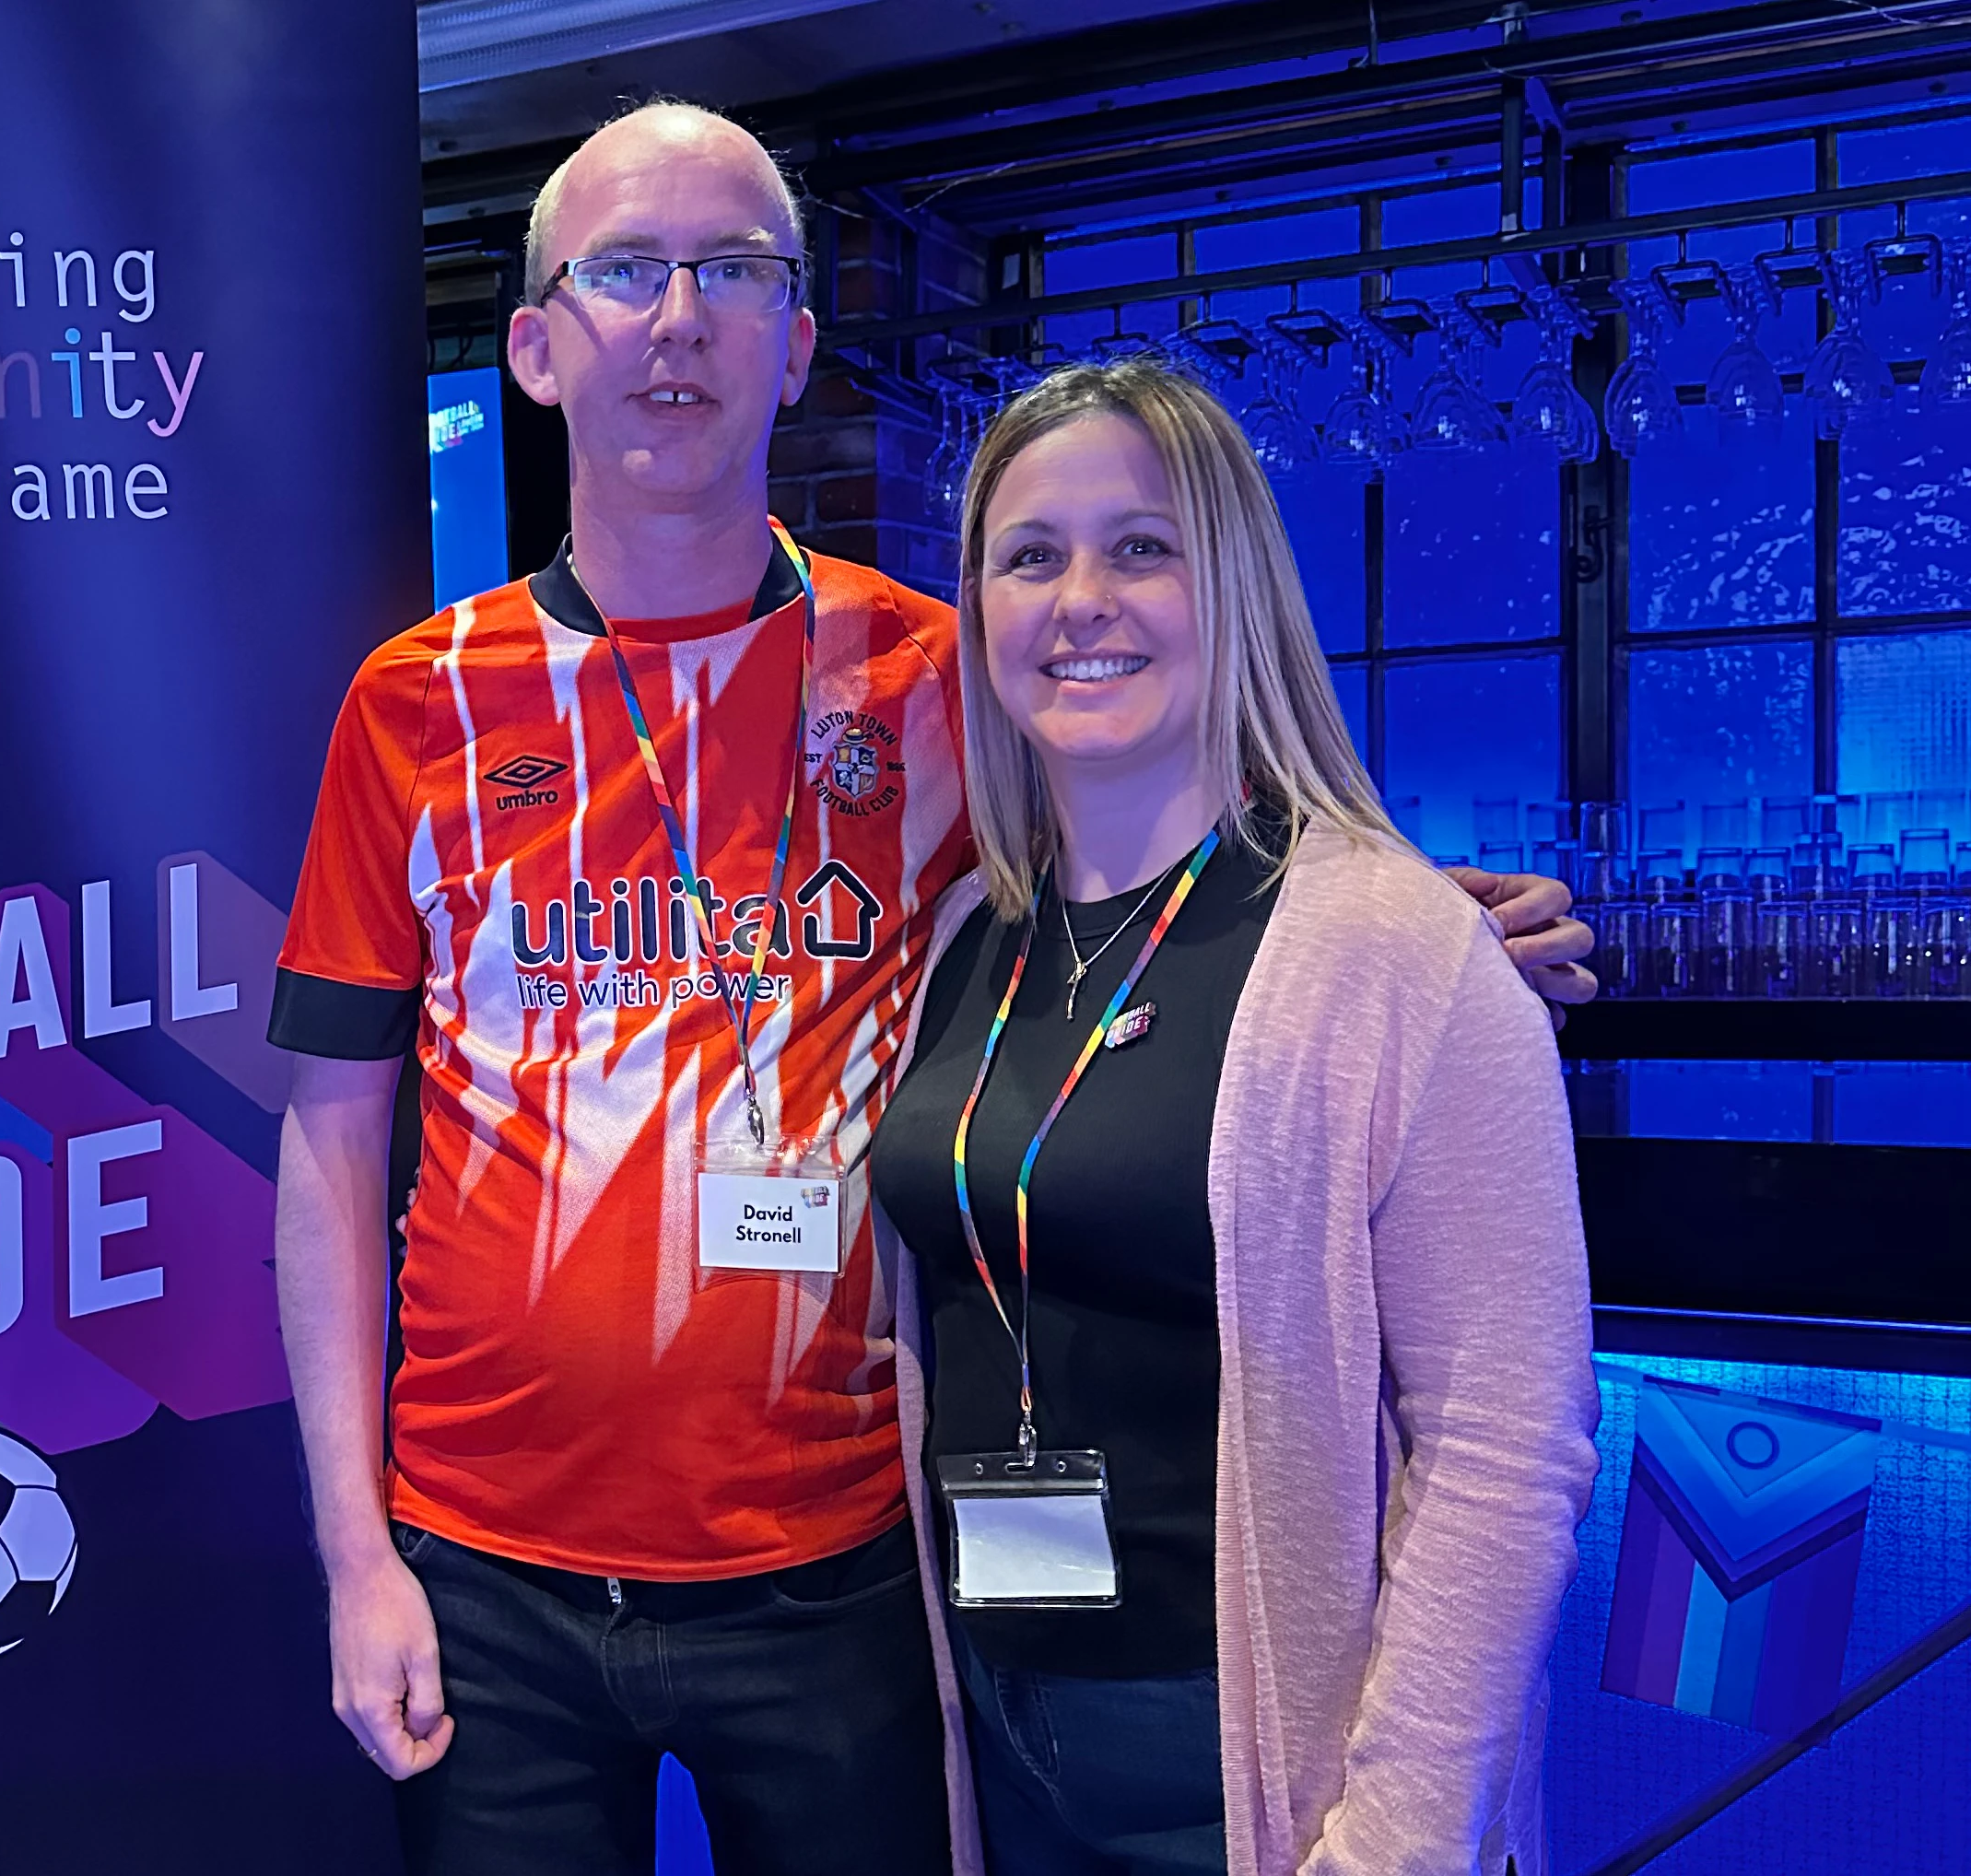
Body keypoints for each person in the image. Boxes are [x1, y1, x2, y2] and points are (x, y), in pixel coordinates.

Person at [269, 103, 1592, 1875]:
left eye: (735, 273)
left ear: (798, 343)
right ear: (533, 346)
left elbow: (1168, 826)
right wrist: (357, 1556)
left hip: (846, 1566)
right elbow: (334, 1147)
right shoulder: (414, 704)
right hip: (482, 1564)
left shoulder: (928, 677)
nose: (679, 319)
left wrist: (1412, 917)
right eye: (626, 272)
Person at [869, 359, 1600, 1876]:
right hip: (996, 1727)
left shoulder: (1399, 950)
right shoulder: (964, 943)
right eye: (1030, 555)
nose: (1083, 598)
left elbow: (1505, 1455)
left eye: (1144, 546)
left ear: (1240, 587)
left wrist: (1395, 1840)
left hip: (1264, 1766)